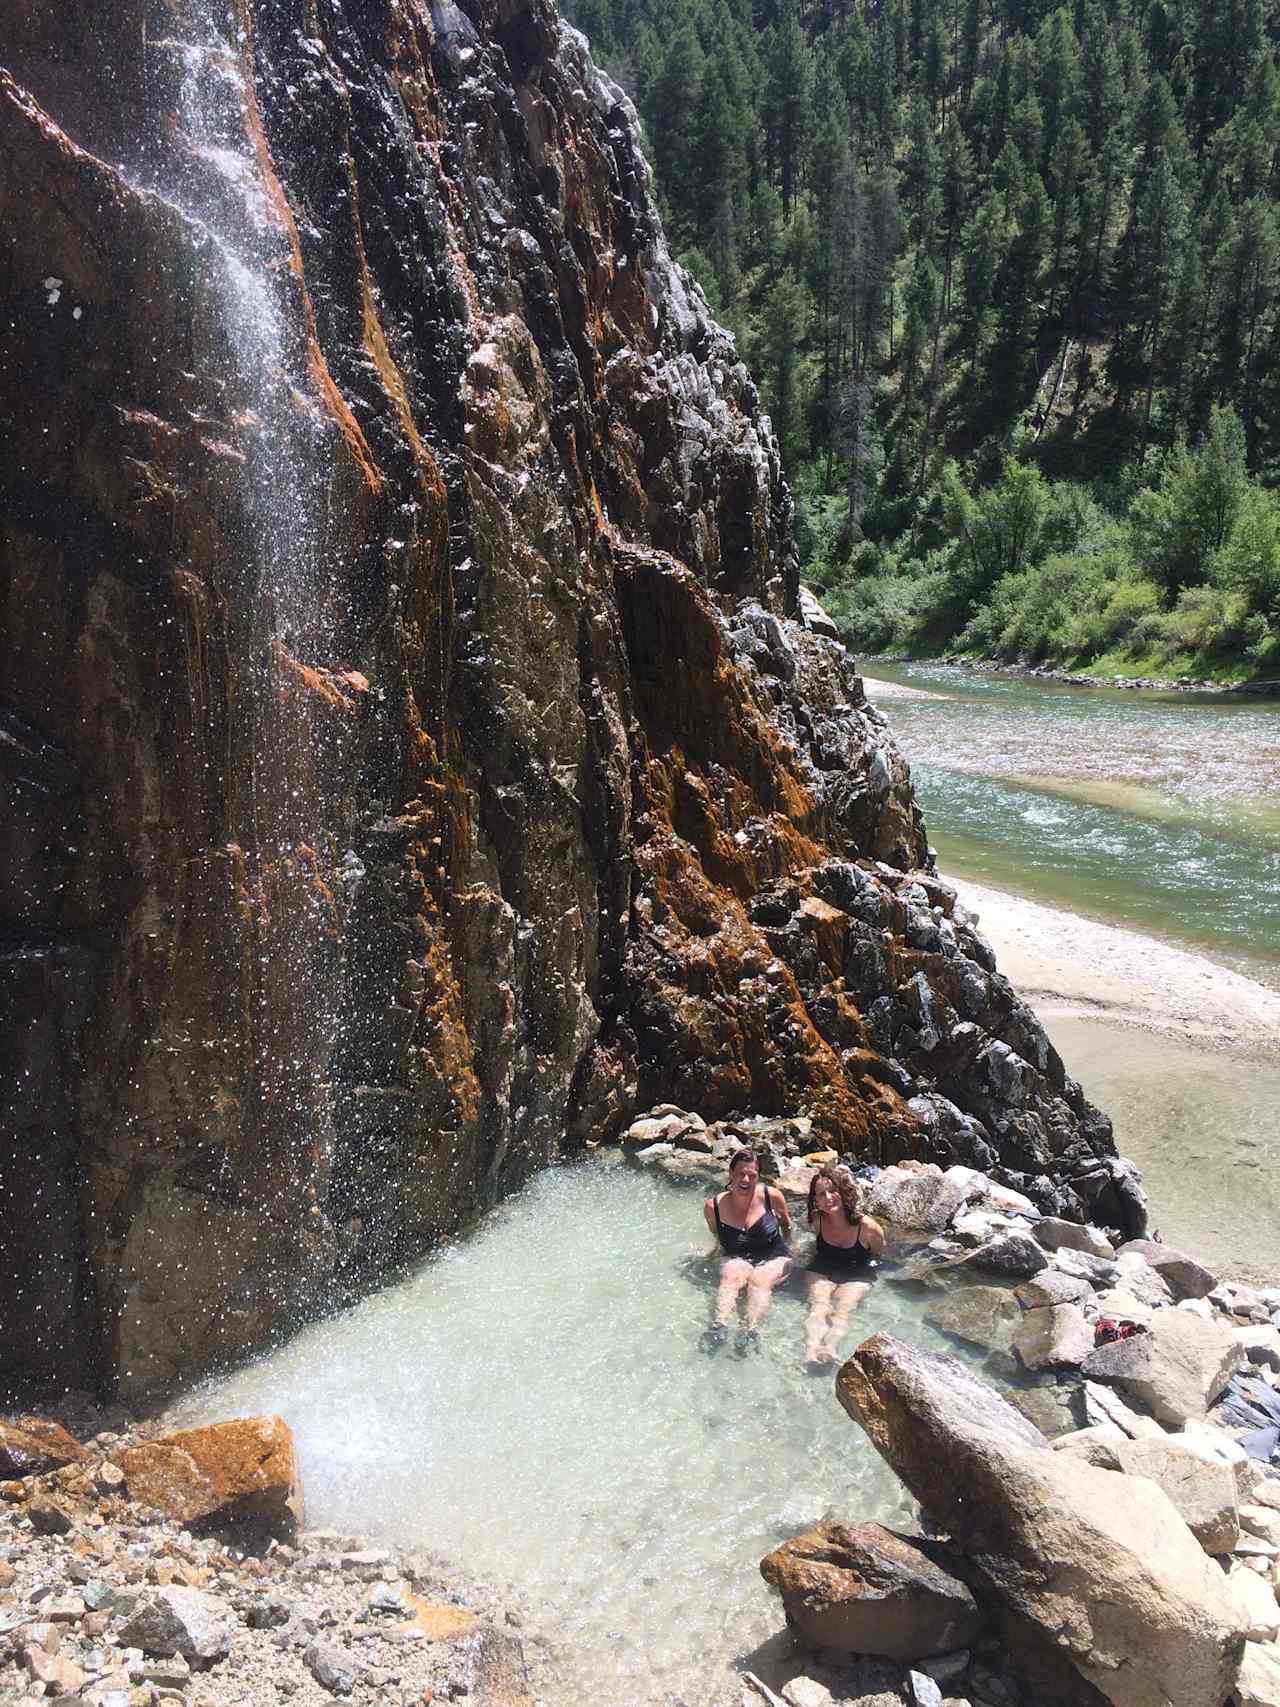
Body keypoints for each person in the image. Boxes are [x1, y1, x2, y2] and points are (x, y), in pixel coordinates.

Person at [701, 1148, 793, 1354]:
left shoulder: (772, 1197)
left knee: (760, 1279)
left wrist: (793, 1249)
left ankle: (751, 1329)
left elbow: (787, 1226)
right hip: (739, 1257)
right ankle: (719, 1325)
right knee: (731, 1273)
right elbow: (718, 1236)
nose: (746, 1179)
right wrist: (711, 1253)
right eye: (741, 1173)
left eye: (752, 1175)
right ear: (731, 1174)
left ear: (758, 1176)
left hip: (774, 1256)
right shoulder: (713, 1207)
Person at [803, 1165, 883, 1367]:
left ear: (844, 1192)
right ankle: (811, 1350)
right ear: (816, 1200)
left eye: (833, 1191)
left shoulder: (868, 1227)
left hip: (858, 1272)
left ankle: (830, 1348)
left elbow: (877, 1255)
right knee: (818, 1306)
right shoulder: (817, 1220)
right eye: (821, 1194)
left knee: (843, 1308)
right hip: (822, 1267)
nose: (828, 1198)